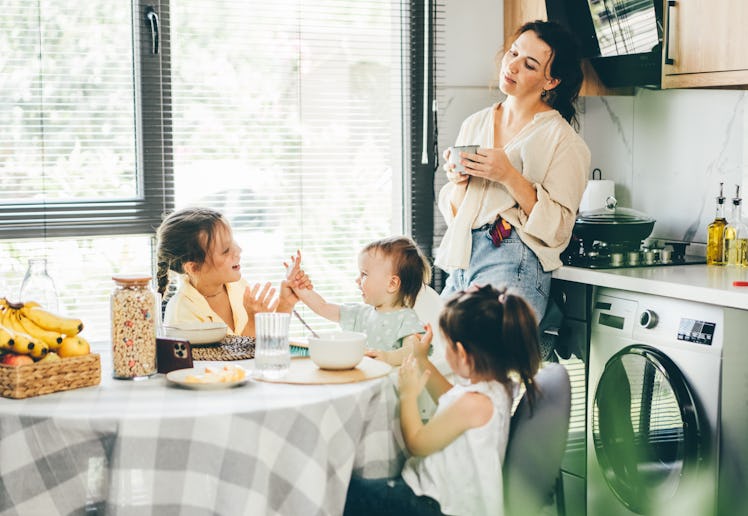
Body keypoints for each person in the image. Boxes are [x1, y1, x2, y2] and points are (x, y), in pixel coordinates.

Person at [436, 20, 591, 322]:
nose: (513, 66)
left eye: (530, 65)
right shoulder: (475, 123)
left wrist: (509, 176)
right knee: (442, 356)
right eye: (513, 53)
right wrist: (458, 183)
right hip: (464, 257)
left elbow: (559, 227)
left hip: (512, 256)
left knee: (491, 363)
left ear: (551, 82)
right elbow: (456, 214)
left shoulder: (563, 141)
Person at [343, 284, 542, 516]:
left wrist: (408, 395)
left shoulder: (473, 404)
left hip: (435, 505)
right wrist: (421, 359)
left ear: (463, 355)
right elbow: (449, 397)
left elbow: (417, 443)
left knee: (350, 491)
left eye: (447, 345)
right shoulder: (496, 387)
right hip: (437, 496)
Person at [156, 207, 310, 337]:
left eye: (233, 243)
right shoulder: (181, 316)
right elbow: (223, 370)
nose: (238, 251)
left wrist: (285, 304)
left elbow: (268, 342)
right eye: (226, 250)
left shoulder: (237, 287)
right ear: (193, 267)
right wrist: (252, 322)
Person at [288, 236, 430, 366]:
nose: (357, 280)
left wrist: (388, 357)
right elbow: (322, 306)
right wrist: (299, 288)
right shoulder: (359, 313)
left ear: (392, 284)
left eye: (364, 274)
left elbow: (413, 350)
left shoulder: (406, 318)